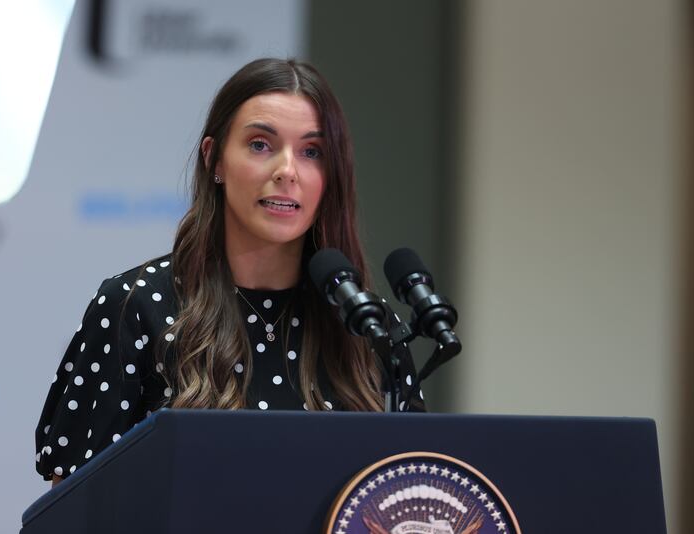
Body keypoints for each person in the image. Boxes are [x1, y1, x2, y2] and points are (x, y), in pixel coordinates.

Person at [35, 58, 424, 486]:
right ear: (214, 159)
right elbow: (72, 508)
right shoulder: (138, 305)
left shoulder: (369, 328)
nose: (287, 171)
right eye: (261, 145)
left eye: (312, 152)